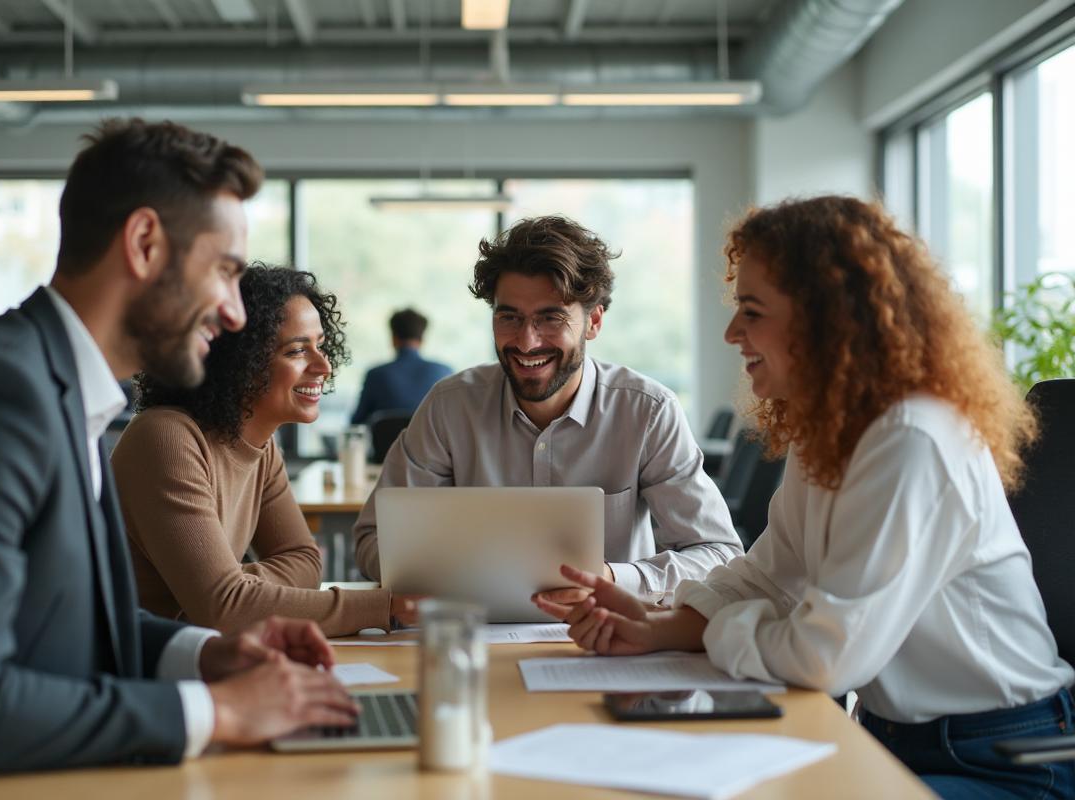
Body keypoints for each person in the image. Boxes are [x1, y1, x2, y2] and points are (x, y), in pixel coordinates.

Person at [0, 119, 357, 799]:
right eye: (223, 272)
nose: (234, 312)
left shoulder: (67, 391)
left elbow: (64, 622)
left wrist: (207, 654)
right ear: (144, 244)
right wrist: (219, 711)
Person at [537, 196, 1075, 799]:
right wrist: (659, 624)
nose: (732, 332)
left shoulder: (912, 439)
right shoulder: (830, 429)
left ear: (827, 320)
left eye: (753, 311)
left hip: (1003, 759)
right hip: (891, 737)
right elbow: (770, 576)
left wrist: (714, 629)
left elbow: (826, 657)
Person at [354, 215, 742, 605]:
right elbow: (373, 539)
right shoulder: (449, 407)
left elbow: (719, 555)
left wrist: (610, 578)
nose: (526, 341)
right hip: (472, 633)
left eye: (550, 317)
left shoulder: (647, 411)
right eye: (510, 317)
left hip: (611, 638)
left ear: (593, 321)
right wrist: (439, 579)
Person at [113, 264, 418, 638]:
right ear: (240, 362)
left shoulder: (262, 446)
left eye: (320, 345)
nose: (323, 366)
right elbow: (224, 608)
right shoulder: (165, 438)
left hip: (200, 657)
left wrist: (235, 588)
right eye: (296, 351)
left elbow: (306, 562)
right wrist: (384, 607)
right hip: (138, 672)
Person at [350, 308, 452, 425]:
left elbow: (356, 422)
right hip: (432, 443)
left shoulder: (375, 375)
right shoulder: (444, 372)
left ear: (393, 338)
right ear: (422, 339)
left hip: (388, 443)